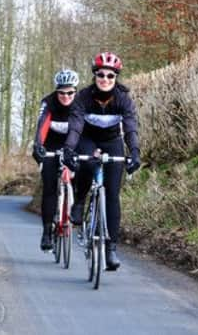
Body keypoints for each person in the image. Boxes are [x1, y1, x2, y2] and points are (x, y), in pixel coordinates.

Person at [61, 52, 141, 270]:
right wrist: (69, 149)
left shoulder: (123, 99)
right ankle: (79, 201)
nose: (105, 79)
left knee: (113, 194)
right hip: (87, 139)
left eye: (110, 76)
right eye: (101, 75)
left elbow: (131, 127)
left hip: (112, 141)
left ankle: (111, 250)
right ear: (94, 75)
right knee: (87, 163)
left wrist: (134, 152)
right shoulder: (84, 97)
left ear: (116, 78)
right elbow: (76, 126)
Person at [32, 69, 79, 251]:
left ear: (75, 91)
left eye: (70, 92)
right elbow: (42, 124)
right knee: (50, 187)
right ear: (56, 91)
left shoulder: (80, 104)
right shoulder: (48, 102)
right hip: (51, 146)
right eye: (61, 92)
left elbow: (81, 129)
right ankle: (46, 232)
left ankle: (75, 210)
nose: (66, 96)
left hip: (73, 144)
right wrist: (38, 145)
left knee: (81, 173)